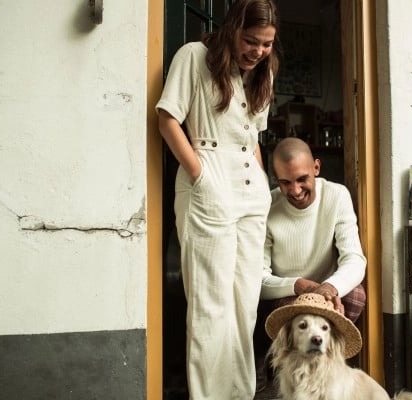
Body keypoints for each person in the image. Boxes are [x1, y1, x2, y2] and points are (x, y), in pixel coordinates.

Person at [155, 1, 280, 398]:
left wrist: (261, 183)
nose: (258, 51)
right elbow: (167, 119)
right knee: (211, 308)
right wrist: (200, 175)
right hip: (209, 181)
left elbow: (253, 138)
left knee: (244, 307)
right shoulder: (194, 57)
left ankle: (240, 394)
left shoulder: (264, 73)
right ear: (232, 29)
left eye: (266, 44)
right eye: (250, 41)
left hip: (249, 191)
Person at [255, 137, 367, 370]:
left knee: (356, 295)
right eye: (285, 182)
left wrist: (329, 287)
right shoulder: (266, 206)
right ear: (276, 179)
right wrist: (300, 286)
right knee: (287, 311)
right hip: (286, 295)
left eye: (302, 179)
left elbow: (354, 259)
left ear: (316, 167)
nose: (295, 191)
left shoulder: (337, 195)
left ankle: (327, 368)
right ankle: (283, 370)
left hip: (328, 293)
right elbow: (258, 279)